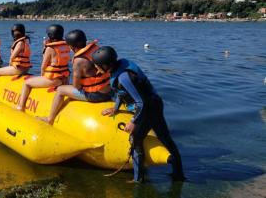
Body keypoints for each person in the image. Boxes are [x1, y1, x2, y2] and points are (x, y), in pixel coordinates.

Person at [93, 46, 185, 182]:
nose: (96, 69)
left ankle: (138, 179)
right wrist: (115, 108)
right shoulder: (120, 66)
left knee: (136, 140)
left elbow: (140, 102)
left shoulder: (124, 77)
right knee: (165, 138)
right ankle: (178, 174)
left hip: (148, 107)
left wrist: (133, 122)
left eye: (98, 66)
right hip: (153, 104)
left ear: (106, 65)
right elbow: (120, 91)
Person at [39, 30, 111, 124]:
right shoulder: (95, 49)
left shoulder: (79, 61)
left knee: (60, 90)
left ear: (71, 47)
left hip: (96, 96)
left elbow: (76, 87)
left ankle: (49, 119)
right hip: (109, 91)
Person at [16, 24, 69, 111]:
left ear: (50, 35)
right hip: (64, 79)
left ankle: (20, 106)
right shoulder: (66, 45)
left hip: (53, 80)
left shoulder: (50, 48)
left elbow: (43, 66)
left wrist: (42, 77)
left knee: (26, 83)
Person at [0, 24, 31, 95]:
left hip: (19, 69)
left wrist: (10, 66)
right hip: (26, 69)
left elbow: (12, 57)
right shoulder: (26, 41)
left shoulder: (19, 43)